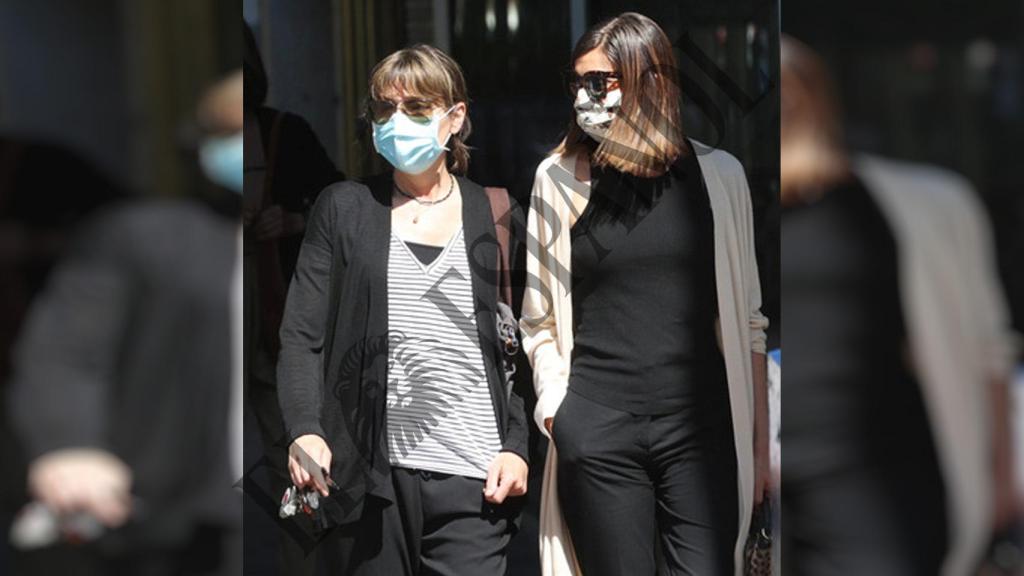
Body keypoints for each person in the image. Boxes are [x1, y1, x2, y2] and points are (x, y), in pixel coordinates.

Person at [520, 12, 770, 576]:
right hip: (598, 426)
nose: (586, 97)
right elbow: (538, 321)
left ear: (648, 81)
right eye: (579, 82)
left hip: (701, 428)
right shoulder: (557, 179)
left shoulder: (720, 177)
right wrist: (559, 410)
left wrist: (758, 453)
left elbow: (749, 321)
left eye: (600, 81)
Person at [276, 44, 530, 575]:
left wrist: (516, 445)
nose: (397, 122)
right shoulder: (344, 207)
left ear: (455, 117)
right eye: (384, 110)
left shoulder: (498, 214)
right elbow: (302, 334)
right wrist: (305, 429)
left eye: (416, 108)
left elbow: (523, 345)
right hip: (371, 479)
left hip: (474, 477)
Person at [779, 36, 1020, 576]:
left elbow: (990, 352)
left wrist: (1000, 479)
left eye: (791, 94)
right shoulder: (727, 200)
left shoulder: (927, 206)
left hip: (873, 489)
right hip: (755, 478)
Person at [5, 71, 243, 575]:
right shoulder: (148, 237)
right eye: (227, 134)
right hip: (182, 518)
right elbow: (68, 348)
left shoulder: (336, 231)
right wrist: (69, 445)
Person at [241, 21, 342, 576]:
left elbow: (339, 205)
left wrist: (292, 218)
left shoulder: (285, 133)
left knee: (295, 471)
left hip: (271, 328)